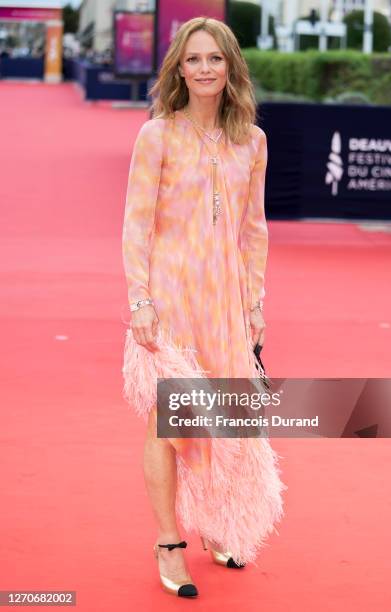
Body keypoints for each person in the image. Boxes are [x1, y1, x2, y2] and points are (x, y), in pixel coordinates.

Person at [121, 17, 286, 598]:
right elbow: (136, 225)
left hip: (225, 304)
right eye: (193, 59)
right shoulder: (158, 136)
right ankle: (170, 540)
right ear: (179, 69)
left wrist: (255, 304)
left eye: (215, 58)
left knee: (224, 422)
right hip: (168, 302)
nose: (205, 68)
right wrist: (139, 298)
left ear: (231, 65)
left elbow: (254, 230)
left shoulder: (252, 142)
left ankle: (219, 523)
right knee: (170, 422)